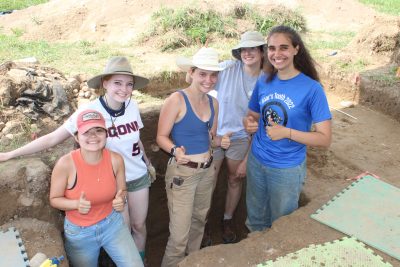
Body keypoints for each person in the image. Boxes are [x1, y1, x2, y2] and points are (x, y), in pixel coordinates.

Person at [0, 56, 152, 262]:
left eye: (129, 84)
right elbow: (54, 137)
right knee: (122, 229)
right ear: (105, 83)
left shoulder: (132, 106)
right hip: (112, 180)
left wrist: (148, 162)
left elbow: (136, 139)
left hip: (137, 175)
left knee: (139, 226)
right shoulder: (90, 112)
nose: (124, 89)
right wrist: (11, 154)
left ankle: (139, 260)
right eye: (117, 83)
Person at [243, 25, 332, 232]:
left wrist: (287, 133)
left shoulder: (312, 89)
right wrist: (248, 123)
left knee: (281, 224)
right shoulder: (264, 80)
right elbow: (252, 115)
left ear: (296, 49)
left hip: (286, 169)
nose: (276, 54)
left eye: (283, 48)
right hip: (256, 161)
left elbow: (325, 139)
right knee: (255, 218)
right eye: (271, 48)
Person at [156, 47, 230, 267]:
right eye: (203, 74)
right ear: (192, 72)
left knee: (199, 223)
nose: (208, 80)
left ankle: (191, 263)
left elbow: (211, 138)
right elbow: (161, 136)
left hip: (207, 171)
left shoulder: (214, 103)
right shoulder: (177, 100)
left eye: (213, 75)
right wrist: (174, 150)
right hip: (183, 174)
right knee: (179, 235)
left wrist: (221, 142)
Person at [49, 109, 143, 267]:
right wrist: (75, 204)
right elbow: (54, 199)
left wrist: (121, 199)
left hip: (112, 224)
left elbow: (123, 190)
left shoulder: (115, 160)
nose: (93, 136)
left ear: (106, 134)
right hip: (80, 233)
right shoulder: (65, 164)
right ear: (77, 136)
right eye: (86, 132)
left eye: (99, 130)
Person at [203, 31, 266, 246]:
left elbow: (264, 124)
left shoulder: (268, 80)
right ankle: (201, 225)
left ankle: (227, 220)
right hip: (216, 135)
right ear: (239, 53)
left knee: (235, 178)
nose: (247, 53)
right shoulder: (228, 69)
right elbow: (200, 76)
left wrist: (248, 158)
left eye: (253, 48)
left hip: (241, 138)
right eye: (243, 49)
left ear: (261, 51)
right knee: (208, 181)